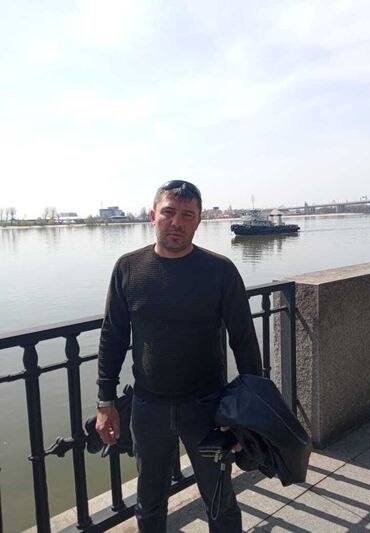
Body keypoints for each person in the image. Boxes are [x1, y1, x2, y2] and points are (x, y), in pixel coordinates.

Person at [96, 180, 262, 532]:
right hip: (148, 409)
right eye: (169, 212)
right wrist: (105, 401)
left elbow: (245, 341)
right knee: (149, 502)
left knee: (219, 500)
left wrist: (251, 410)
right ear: (152, 215)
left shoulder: (220, 271)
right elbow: (113, 337)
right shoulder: (128, 268)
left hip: (208, 409)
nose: (176, 222)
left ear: (199, 221)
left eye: (187, 215)